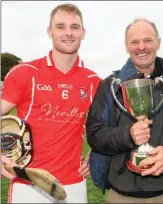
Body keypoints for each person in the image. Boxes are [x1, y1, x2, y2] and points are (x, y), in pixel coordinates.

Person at [86, 18, 163, 203]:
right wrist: (127, 136)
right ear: (126, 46)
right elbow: (95, 134)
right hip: (122, 195)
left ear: (158, 43)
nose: (141, 47)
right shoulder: (110, 86)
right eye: (135, 42)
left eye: (147, 40)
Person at [1, 3, 101, 203]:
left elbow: (105, 127)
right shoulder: (25, 72)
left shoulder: (93, 81)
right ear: (50, 31)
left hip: (74, 185)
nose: (68, 33)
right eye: (60, 26)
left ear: (83, 32)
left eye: (74, 27)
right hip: (28, 182)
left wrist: (94, 154)